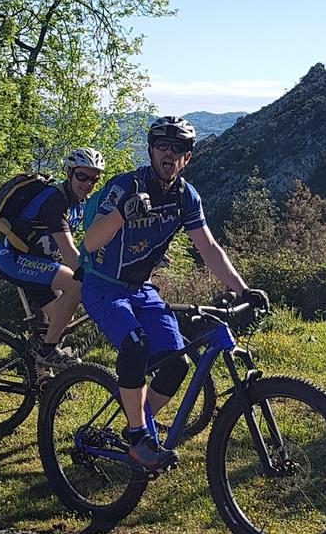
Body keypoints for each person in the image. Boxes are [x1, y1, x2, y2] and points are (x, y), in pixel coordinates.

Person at [81, 115, 262, 472]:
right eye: (161, 145)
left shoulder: (185, 196)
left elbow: (208, 247)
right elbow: (90, 242)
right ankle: (139, 438)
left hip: (142, 289)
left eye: (177, 148)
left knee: (176, 364)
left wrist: (242, 289)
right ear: (151, 151)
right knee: (135, 345)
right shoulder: (125, 186)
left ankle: (137, 426)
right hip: (103, 285)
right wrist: (122, 214)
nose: (169, 153)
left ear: (187, 157)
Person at [0, 147, 105, 370]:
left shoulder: (79, 204)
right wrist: (97, 279)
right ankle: (48, 352)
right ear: (69, 173)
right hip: (13, 258)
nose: (87, 184)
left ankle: (43, 379)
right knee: (76, 285)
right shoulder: (55, 201)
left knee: (61, 320)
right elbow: (69, 253)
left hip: (38, 262)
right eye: (82, 176)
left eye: (93, 179)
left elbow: (95, 239)